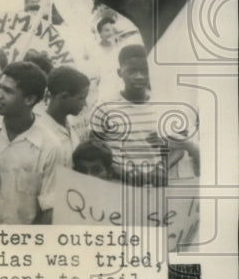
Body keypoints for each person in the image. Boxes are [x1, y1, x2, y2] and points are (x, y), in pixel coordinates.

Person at [0, 61, 62, 224]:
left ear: (29, 99)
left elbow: (49, 209)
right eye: (0, 87)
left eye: (7, 91)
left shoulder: (50, 146)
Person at [89, 44, 171, 187]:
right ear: (120, 72)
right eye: (132, 71)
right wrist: (120, 172)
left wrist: (163, 168)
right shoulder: (104, 107)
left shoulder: (162, 106)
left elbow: (178, 148)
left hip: (154, 188)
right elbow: (93, 149)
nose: (139, 76)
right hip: (117, 187)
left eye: (145, 71)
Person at [41, 66, 91, 167]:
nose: (85, 104)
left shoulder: (69, 123)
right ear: (63, 97)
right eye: (81, 98)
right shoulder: (43, 131)